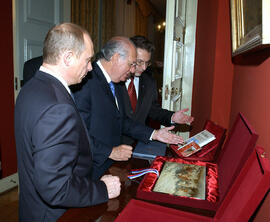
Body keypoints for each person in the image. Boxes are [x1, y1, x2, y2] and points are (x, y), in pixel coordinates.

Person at [14, 23, 121, 222]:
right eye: (88, 60)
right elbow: (56, 187)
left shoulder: (30, 87)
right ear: (68, 57)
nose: (90, 68)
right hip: (56, 215)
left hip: (32, 209)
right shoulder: (57, 106)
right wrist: (102, 189)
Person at [73, 36, 184, 180]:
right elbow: (77, 133)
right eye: (132, 64)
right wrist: (109, 152)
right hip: (89, 168)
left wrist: (154, 134)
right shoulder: (86, 80)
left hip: (110, 164)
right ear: (116, 58)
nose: (133, 70)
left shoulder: (116, 81)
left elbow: (121, 120)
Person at [120, 35, 194, 145]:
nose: (144, 68)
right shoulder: (114, 80)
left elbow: (153, 110)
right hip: (111, 146)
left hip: (136, 144)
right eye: (140, 62)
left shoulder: (149, 82)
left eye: (147, 62)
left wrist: (172, 116)